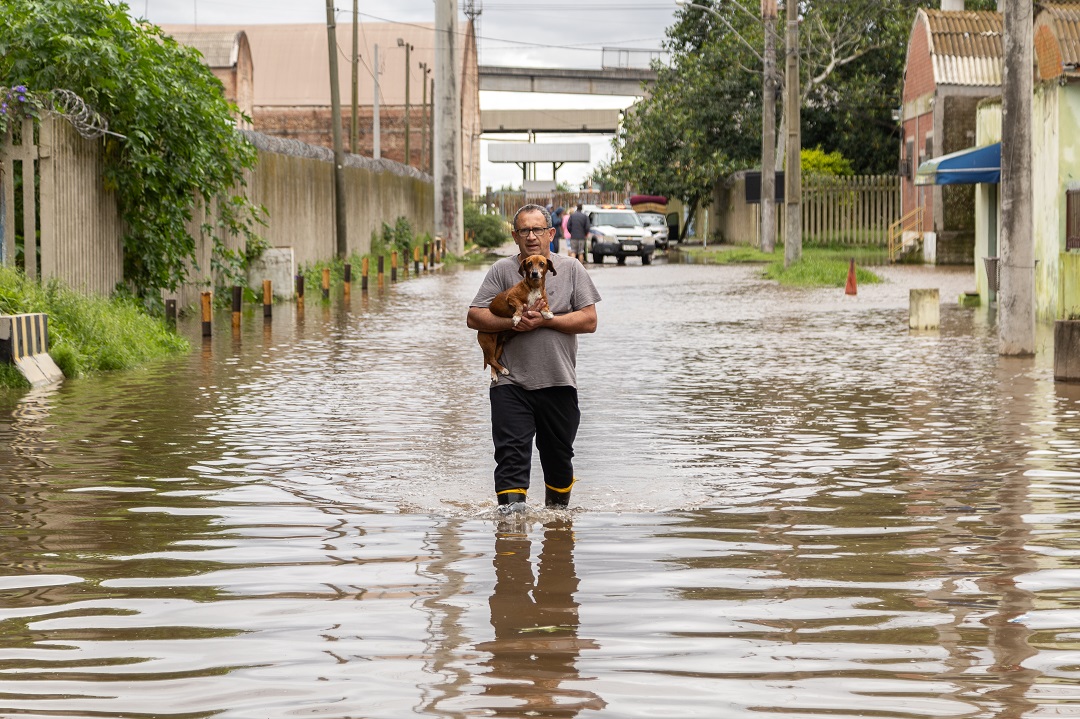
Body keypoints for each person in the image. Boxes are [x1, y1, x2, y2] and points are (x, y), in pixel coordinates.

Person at [467, 204, 601, 513]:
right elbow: (474, 316)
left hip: (558, 381)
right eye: (524, 230)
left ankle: (559, 526)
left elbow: (589, 321)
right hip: (510, 383)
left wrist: (545, 321)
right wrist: (512, 322)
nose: (531, 236)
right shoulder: (501, 270)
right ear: (514, 236)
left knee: (558, 459)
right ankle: (512, 540)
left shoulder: (571, 269)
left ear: (551, 233)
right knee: (511, 457)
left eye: (538, 229)